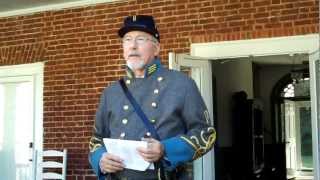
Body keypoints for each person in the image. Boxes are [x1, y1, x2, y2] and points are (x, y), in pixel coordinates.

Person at [89, 15, 216, 180]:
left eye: (141, 39)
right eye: (127, 40)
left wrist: (165, 149)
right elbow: (96, 140)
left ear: (156, 48)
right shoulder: (111, 92)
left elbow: (205, 134)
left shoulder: (182, 84)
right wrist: (100, 159)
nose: (133, 46)